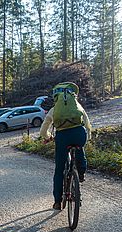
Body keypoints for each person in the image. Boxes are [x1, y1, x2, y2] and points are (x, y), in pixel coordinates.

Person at [39, 82, 92, 210]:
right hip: (79, 134)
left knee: (59, 170)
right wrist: (87, 138)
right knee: (79, 148)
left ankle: (57, 201)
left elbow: (43, 130)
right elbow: (88, 125)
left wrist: (48, 137)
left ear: (56, 97)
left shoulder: (54, 110)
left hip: (62, 137)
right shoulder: (78, 106)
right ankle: (81, 172)